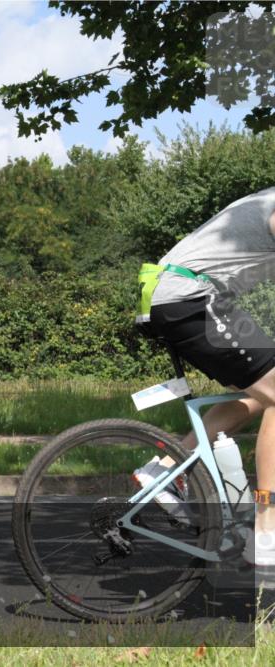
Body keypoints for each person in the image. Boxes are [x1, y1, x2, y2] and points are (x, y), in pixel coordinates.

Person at [135, 186, 275, 566]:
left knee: (259, 395)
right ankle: (267, 528)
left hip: (180, 296)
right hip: (190, 297)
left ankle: (163, 470)